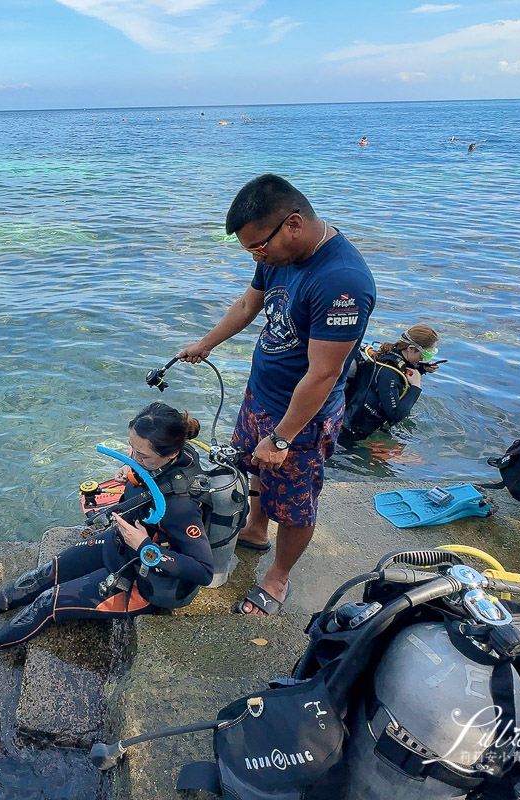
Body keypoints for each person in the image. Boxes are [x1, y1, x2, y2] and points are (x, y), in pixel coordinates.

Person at [178, 174, 376, 617]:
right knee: (252, 467)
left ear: (292, 224)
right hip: (260, 396)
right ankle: (254, 528)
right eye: (250, 250)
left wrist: (283, 437)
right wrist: (207, 343)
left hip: (302, 417)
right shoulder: (276, 253)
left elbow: (324, 374)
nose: (256, 256)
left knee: (296, 504)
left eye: (257, 247)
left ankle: (278, 576)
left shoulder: (341, 281)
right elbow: (249, 305)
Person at [0, 403, 213, 656]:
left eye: (142, 455)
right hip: (119, 544)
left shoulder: (181, 506)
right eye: (132, 449)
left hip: (144, 580)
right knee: (44, 574)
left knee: (47, 602)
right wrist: (131, 470)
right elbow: (147, 477)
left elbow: (203, 571)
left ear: (171, 453)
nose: (133, 457)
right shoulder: (161, 460)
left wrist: (145, 547)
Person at [340, 325, 440, 443]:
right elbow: (396, 415)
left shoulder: (390, 354)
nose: (427, 358)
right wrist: (416, 387)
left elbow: (403, 369)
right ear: (411, 348)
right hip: (352, 434)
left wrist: (422, 369)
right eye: (426, 353)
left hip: (359, 424)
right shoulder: (389, 373)